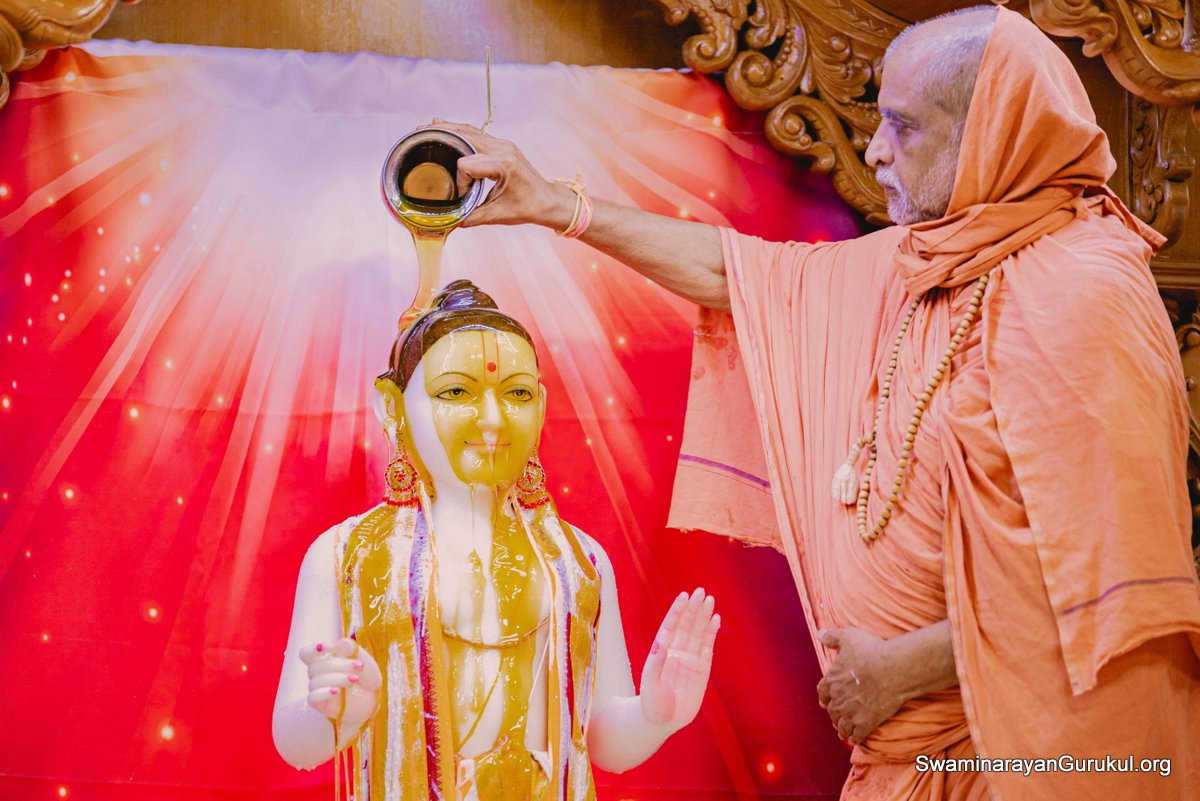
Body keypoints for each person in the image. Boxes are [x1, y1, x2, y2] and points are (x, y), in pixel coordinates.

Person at [429, 5, 1200, 799]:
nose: (876, 149)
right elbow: (737, 277)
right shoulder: (923, 261)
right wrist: (555, 206)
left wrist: (905, 668)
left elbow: (1117, 583)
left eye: (904, 126)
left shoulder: (1084, 291)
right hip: (903, 762)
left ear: (987, 133)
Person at [272, 281, 720, 801]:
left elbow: (602, 744)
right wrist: (334, 715)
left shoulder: (580, 562)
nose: (492, 418)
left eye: (517, 393)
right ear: (392, 407)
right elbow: (294, 744)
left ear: (542, 405)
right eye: (456, 392)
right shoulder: (344, 555)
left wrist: (654, 715)